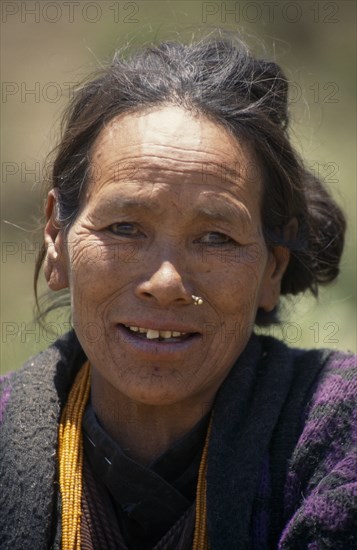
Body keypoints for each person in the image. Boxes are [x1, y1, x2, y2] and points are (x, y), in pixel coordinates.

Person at [0, 35, 356, 550]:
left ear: (271, 272)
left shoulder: (333, 444)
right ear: (56, 242)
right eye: (124, 228)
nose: (165, 283)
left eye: (216, 238)